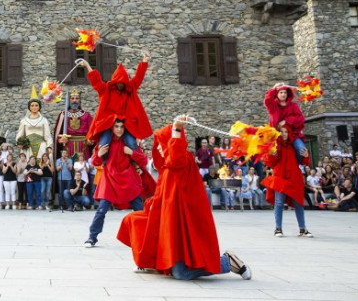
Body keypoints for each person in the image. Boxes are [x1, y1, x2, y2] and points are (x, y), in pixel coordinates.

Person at [118, 116, 252, 281]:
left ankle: (226, 261)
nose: (159, 149)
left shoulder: (183, 159)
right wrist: (151, 205)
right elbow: (163, 194)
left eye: (162, 144)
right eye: (158, 145)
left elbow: (175, 156)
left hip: (185, 221)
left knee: (181, 273)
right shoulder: (167, 167)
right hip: (171, 219)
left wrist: (176, 129)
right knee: (135, 220)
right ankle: (151, 262)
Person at [84, 119, 155, 248]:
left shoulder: (129, 143)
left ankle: (149, 237)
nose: (119, 129)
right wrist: (99, 154)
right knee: (101, 210)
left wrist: (131, 152)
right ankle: (92, 237)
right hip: (109, 180)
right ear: (112, 128)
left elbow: (144, 160)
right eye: (116, 126)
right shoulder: (105, 143)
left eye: (122, 127)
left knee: (140, 210)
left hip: (128, 181)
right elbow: (95, 162)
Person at [81, 52, 152, 152]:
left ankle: (136, 162)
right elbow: (95, 80)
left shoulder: (130, 88)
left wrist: (145, 60)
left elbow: (139, 77)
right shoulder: (106, 89)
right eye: (119, 82)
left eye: (123, 83)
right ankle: (104, 163)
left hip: (126, 123)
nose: (121, 85)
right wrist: (87, 65)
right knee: (103, 143)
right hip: (108, 122)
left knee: (131, 142)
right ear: (115, 81)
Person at [261, 125, 313, 238]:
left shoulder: (294, 146)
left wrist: (306, 156)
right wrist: (271, 154)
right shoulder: (275, 146)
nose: (284, 134)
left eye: (286, 132)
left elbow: (304, 162)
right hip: (280, 177)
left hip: (294, 178)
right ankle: (278, 228)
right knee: (279, 203)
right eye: (282, 132)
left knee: (298, 203)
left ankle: (302, 229)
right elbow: (270, 163)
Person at [264, 83, 307, 164]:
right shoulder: (273, 106)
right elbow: (267, 99)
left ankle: (297, 165)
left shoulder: (294, 105)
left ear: (288, 94)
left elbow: (301, 119)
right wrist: (274, 87)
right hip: (277, 135)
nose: (283, 94)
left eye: (285, 92)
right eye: (281, 92)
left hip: (292, 134)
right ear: (277, 94)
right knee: (273, 154)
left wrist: (287, 121)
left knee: (301, 149)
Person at [54, 88, 94, 160]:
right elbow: (58, 133)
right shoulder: (63, 115)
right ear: (69, 100)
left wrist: (90, 139)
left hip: (83, 145)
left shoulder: (86, 115)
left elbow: (92, 130)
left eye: (77, 98)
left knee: (83, 167)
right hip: (68, 145)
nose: (74, 100)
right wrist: (60, 140)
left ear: (80, 100)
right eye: (72, 98)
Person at [16, 87, 53, 160]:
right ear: (29, 107)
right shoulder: (24, 121)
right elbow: (20, 134)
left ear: (39, 107)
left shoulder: (43, 120)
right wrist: (20, 142)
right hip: (28, 146)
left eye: (36, 105)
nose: (34, 107)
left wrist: (49, 146)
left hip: (41, 145)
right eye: (32, 105)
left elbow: (47, 135)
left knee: (42, 163)